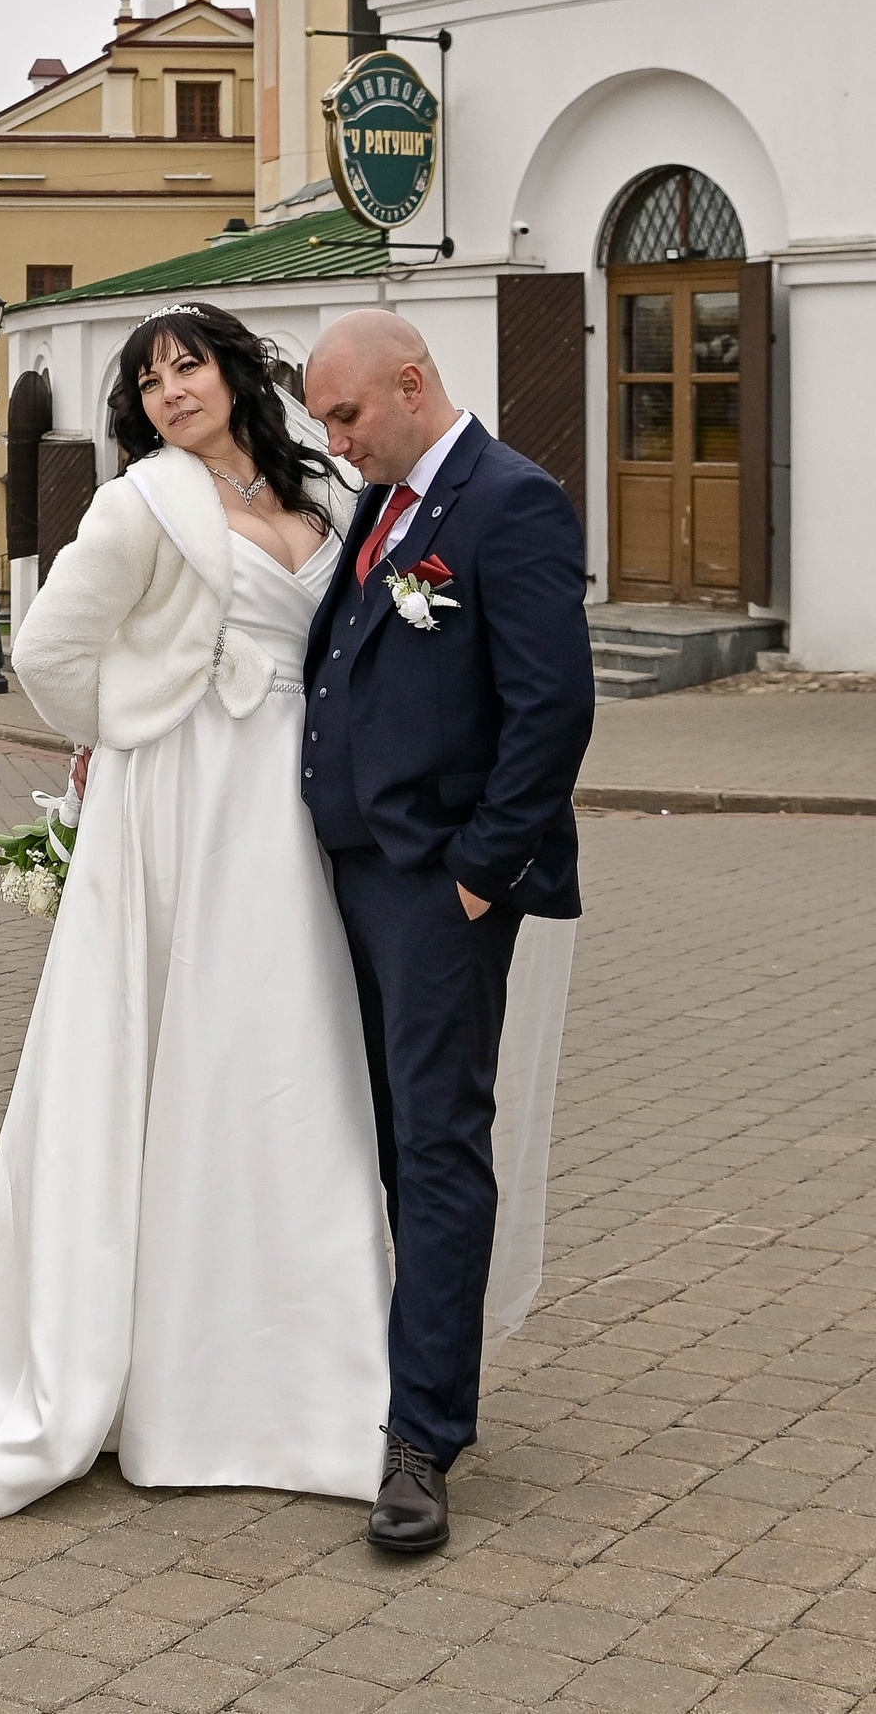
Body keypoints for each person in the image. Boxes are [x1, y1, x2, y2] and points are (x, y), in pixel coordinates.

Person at [0, 300, 395, 1520]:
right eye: (148, 380)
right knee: (162, 1053)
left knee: (278, 1056)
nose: (170, 391)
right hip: (181, 802)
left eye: (188, 365)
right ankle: (139, 1372)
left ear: (235, 373)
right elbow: (52, 654)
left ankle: (293, 1380)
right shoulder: (142, 499)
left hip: (287, 811)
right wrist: (147, 716)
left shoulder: (315, 496)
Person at [301, 309, 594, 1552]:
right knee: (378, 1142)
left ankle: (423, 1438)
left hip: (435, 889)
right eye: (321, 420)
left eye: (347, 415)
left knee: (434, 1150)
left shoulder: (508, 502)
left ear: (410, 384)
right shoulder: (381, 507)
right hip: (349, 879)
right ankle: (372, 1379)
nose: (335, 440)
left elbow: (552, 706)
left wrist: (479, 873)